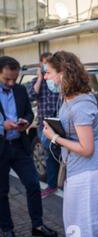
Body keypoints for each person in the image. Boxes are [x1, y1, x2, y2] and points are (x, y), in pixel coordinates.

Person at [42, 51, 98, 237]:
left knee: (87, 227)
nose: (45, 77)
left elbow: (87, 148)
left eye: (49, 72)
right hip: (77, 169)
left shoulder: (81, 103)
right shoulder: (70, 97)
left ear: (63, 73)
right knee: (73, 222)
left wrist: (54, 137)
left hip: (88, 171)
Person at [0, 56, 58, 237]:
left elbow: (28, 113)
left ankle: (38, 225)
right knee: (2, 192)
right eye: (7, 79)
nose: (11, 83)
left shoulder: (19, 89)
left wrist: (25, 121)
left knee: (33, 185)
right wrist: (2, 125)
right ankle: (7, 230)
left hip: (19, 145)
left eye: (14, 79)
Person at [27, 52, 61, 198]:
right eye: (44, 63)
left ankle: (60, 181)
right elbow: (31, 95)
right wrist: (40, 78)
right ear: (41, 64)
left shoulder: (57, 79)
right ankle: (52, 184)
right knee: (49, 153)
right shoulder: (38, 80)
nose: (46, 66)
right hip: (44, 124)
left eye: (49, 63)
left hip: (59, 122)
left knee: (61, 153)